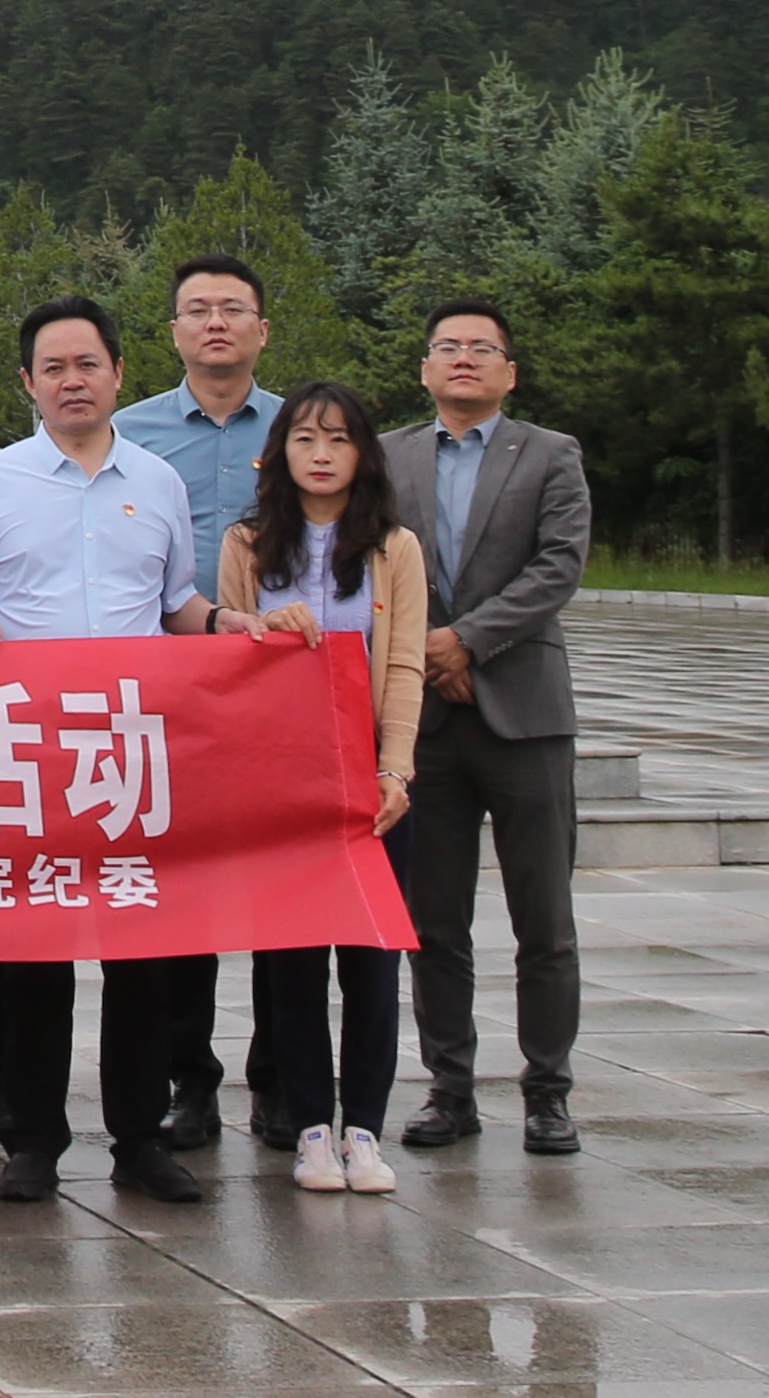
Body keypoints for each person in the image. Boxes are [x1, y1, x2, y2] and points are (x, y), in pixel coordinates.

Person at [0, 295, 246, 1207]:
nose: (71, 381)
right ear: (26, 382)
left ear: (117, 372)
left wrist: (231, 626)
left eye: (87, 364)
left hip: (128, 748)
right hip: (28, 749)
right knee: (33, 956)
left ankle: (138, 1140)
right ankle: (32, 1138)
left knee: (140, 958)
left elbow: (175, 603)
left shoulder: (157, 480)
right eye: (53, 367)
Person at [220, 383, 425, 1197]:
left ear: (362, 453)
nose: (321, 453)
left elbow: (403, 662)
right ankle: (308, 1126)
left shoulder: (392, 547)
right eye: (305, 438)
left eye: (338, 438)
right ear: (278, 452)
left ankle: (363, 1128)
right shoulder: (246, 542)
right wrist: (259, 629)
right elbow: (227, 656)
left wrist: (394, 768)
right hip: (281, 779)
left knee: (371, 960)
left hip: (364, 776)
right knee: (292, 964)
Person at [395, 298, 588, 1158]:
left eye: (481, 347)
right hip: (427, 722)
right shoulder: (390, 455)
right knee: (434, 922)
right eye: (447, 346)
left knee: (542, 920)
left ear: (508, 371)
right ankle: (449, 1088)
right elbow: (371, 562)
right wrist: (427, 654)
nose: (463, 357)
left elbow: (557, 566)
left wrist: (464, 640)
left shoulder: (549, 453)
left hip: (524, 715)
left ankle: (547, 1091)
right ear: (425, 367)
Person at [118, 253, 280, 1151]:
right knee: (179, 892)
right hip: (169, 692)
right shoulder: (129, 436)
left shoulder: (302, 428)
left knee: (279, 886)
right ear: (173, 330)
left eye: (232, 308)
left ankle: (280, 1078)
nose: (215, 323)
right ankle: (189, 1079)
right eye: (197, 309)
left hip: (277, 688)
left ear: (261, 327)